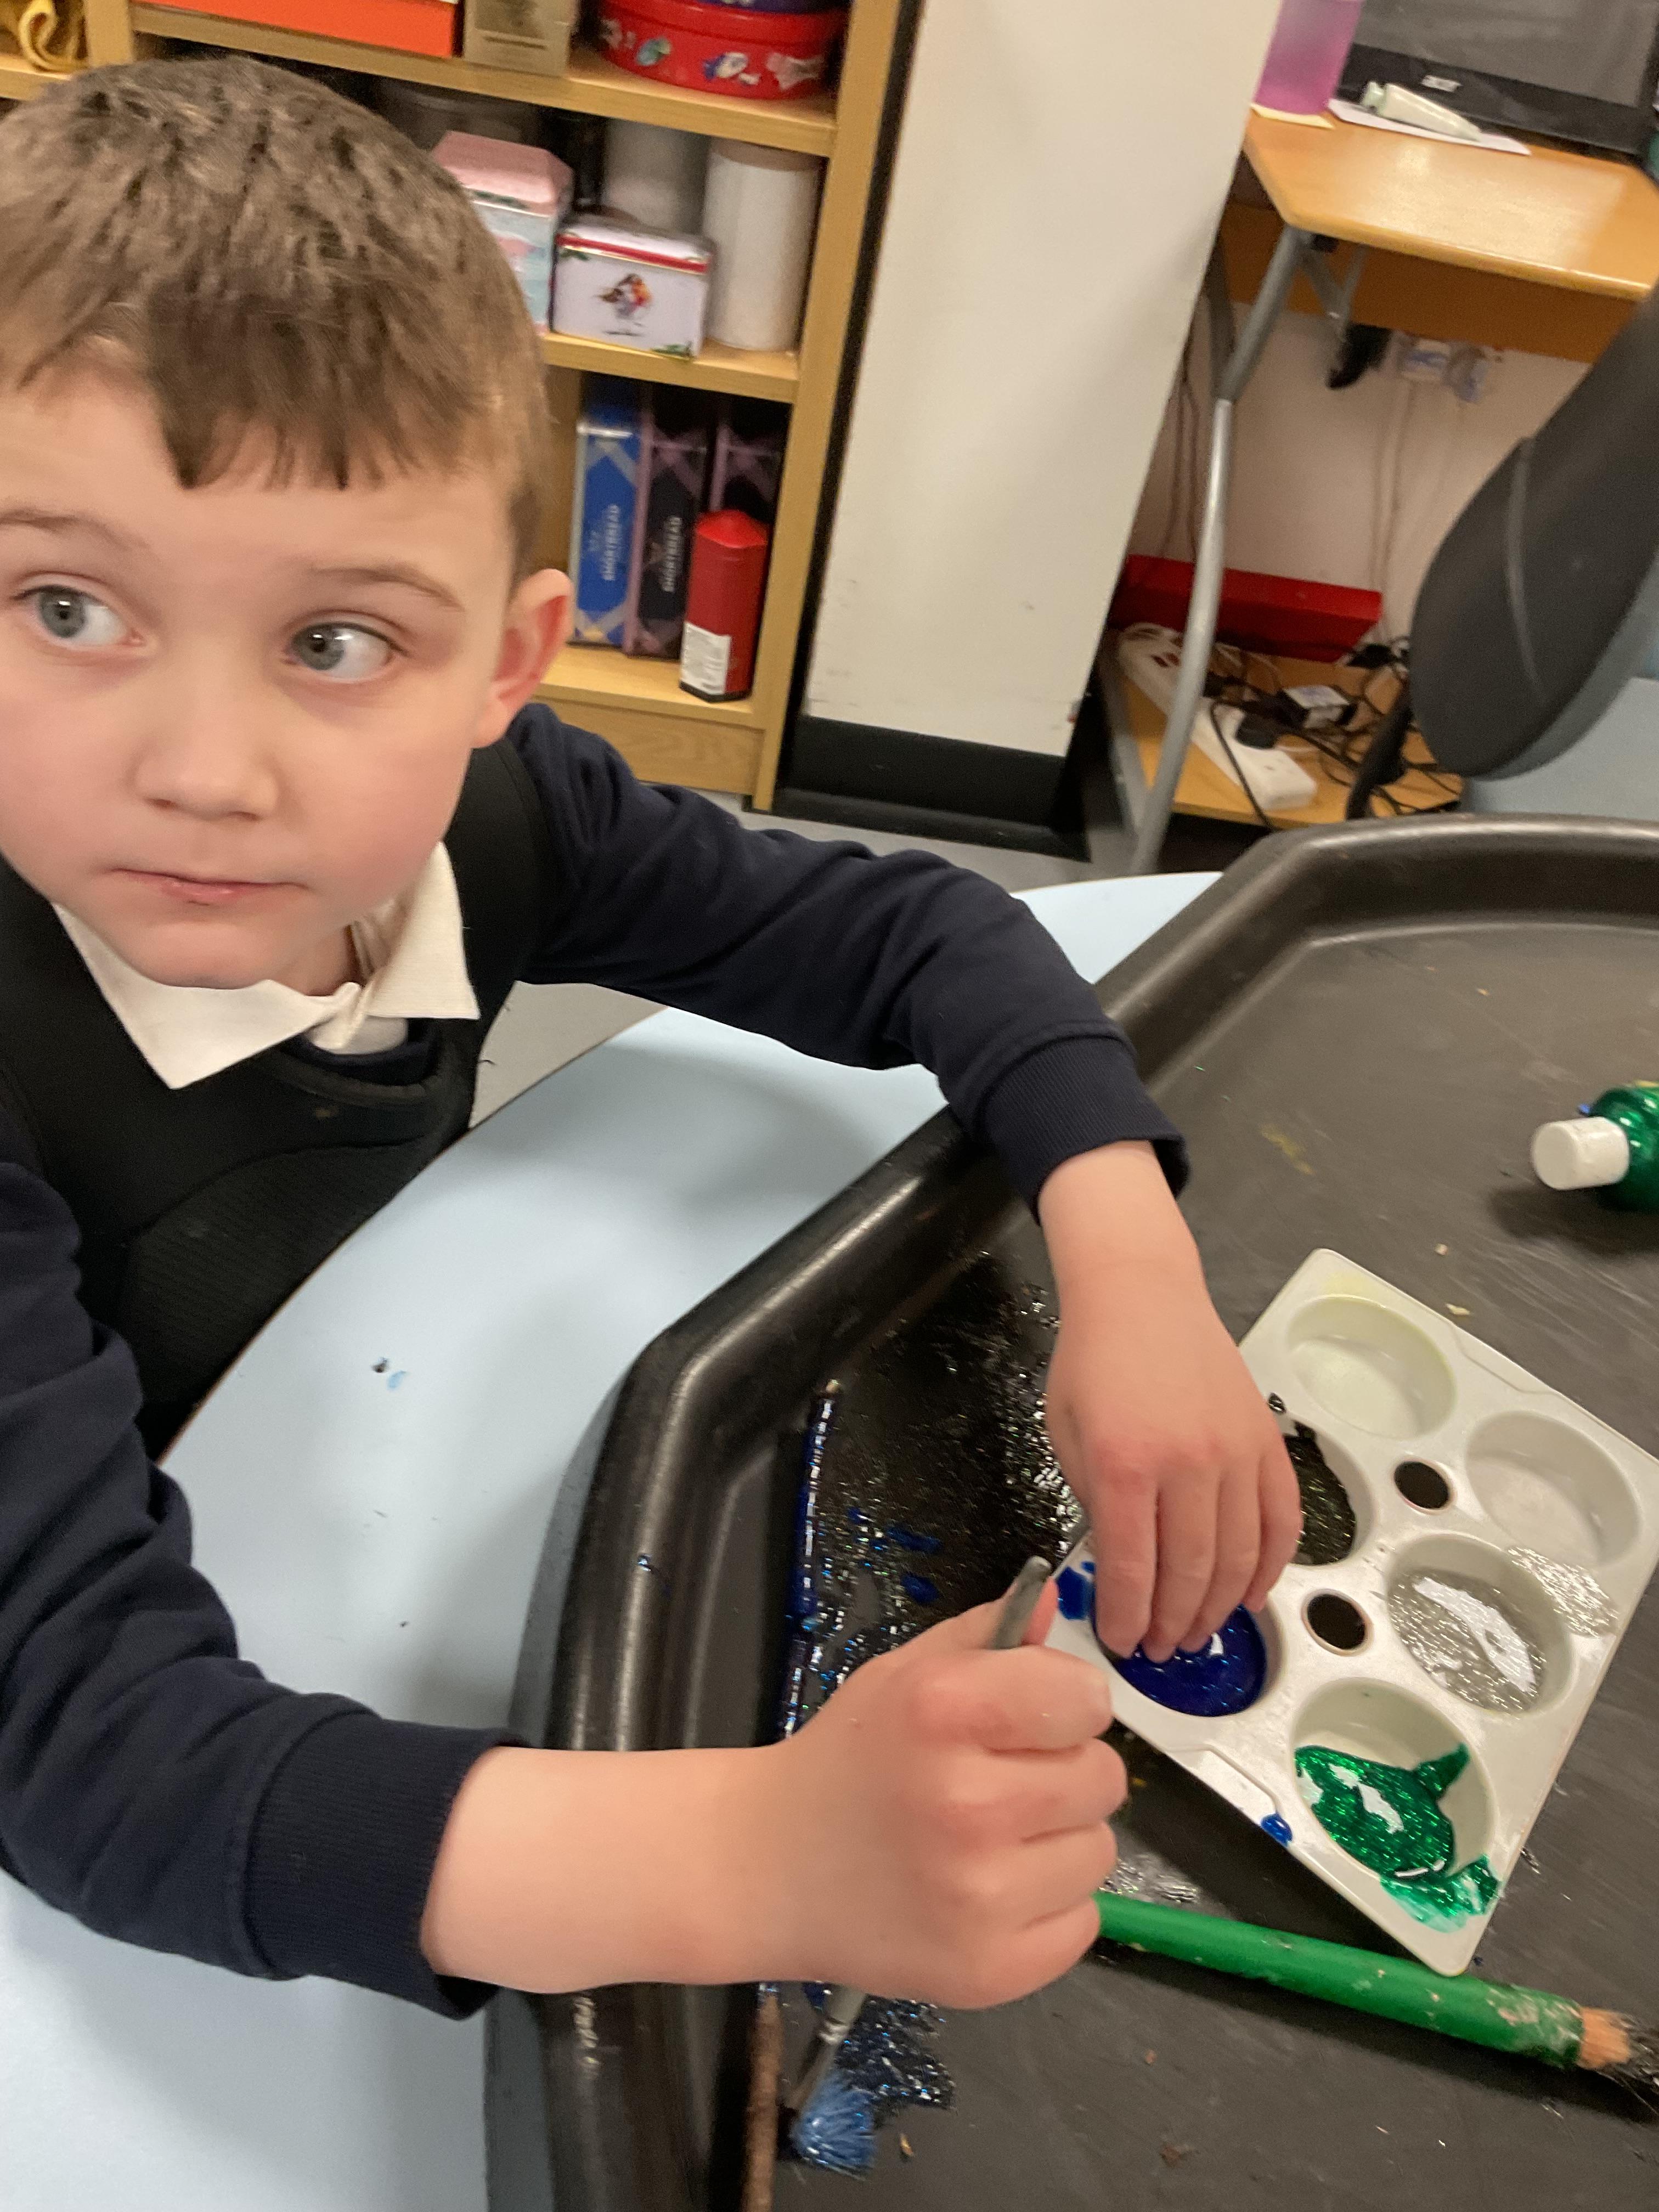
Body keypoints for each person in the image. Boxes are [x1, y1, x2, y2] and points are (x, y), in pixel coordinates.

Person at [0, 58, 1300, 2019]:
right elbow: (97, 1757)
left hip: (345, 1477)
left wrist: (1132, 1269)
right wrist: (757, 1862)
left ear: (506, 667)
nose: (203, 771)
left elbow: (919, 932)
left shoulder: (509, 818)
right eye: (66, 607)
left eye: (335, 642)